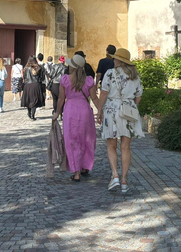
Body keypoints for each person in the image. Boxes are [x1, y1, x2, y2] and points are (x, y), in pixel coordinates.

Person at [96, 48, 143, 194]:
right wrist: (130, 105)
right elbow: (139, 96)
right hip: (128, 109)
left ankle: (115, 175)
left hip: (112, 109)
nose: (113, 60)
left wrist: (99, 110)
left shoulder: (110, 73)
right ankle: (124, 180)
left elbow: (104, 93)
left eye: (115, 58)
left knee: (111, 144)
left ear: (119, 60)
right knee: (126, 147)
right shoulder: (135, 75)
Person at [53, 54, 100, 181]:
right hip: (85, 111)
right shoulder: (89, 80)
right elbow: (94, 98)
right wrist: (101, 110)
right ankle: (85, 166)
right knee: (86, 139)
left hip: (70, 112)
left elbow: (61, 98)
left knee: (72, 140)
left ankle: (76, 172)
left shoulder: (65, 79)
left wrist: (57, 113)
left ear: (72, 66)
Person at [21, 56, 46, 120]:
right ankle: (32, 115)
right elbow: (42, 78)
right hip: (36, 85)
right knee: (34, 100)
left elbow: (24, 77)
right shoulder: (39, 68)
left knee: (28, 100)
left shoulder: (26, 68)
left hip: (28, 85)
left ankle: (29, 112)